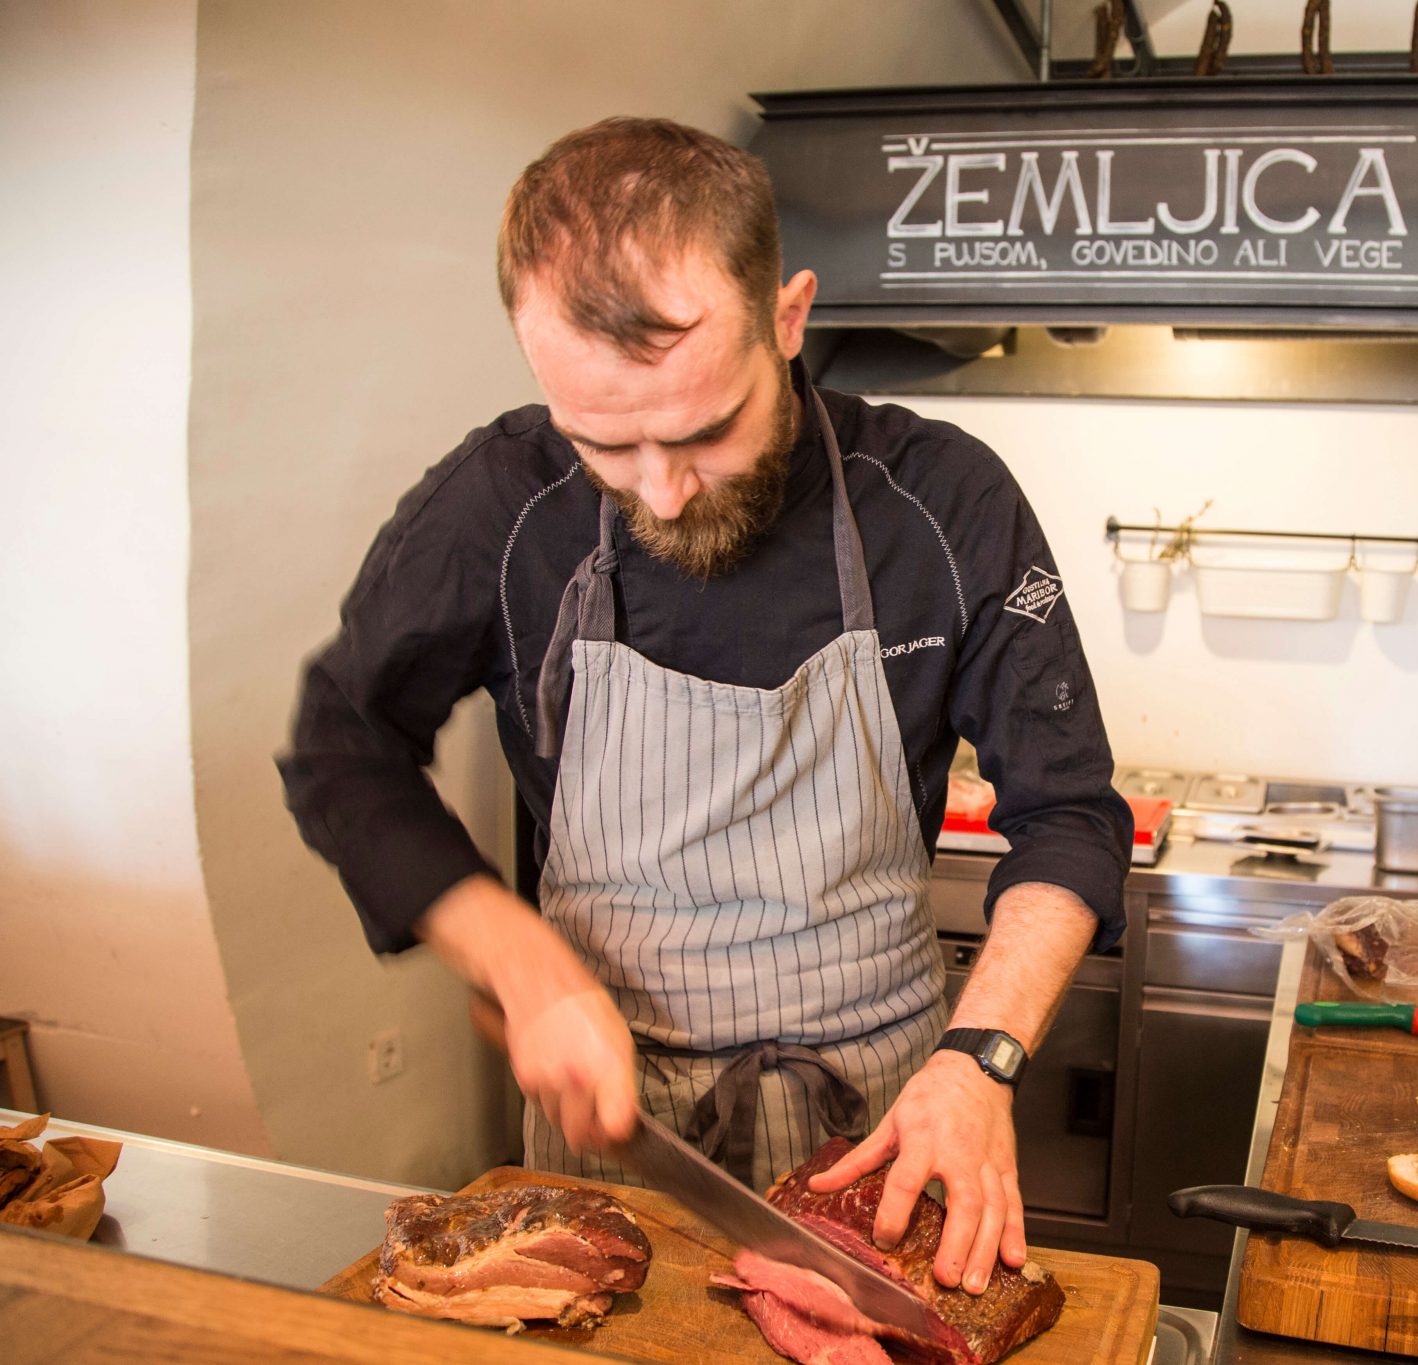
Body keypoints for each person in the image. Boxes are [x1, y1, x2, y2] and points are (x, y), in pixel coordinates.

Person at [279, 117, 1131, 1297]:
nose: (662, 491)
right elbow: (342, 747)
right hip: (608, 1135)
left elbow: (1069, 816)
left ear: (788, 319)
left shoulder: (942, 503)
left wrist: (979, 1061)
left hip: (895, 1121)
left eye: (704, 430)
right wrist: (520, 963)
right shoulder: (501, 505)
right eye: (604, 444)